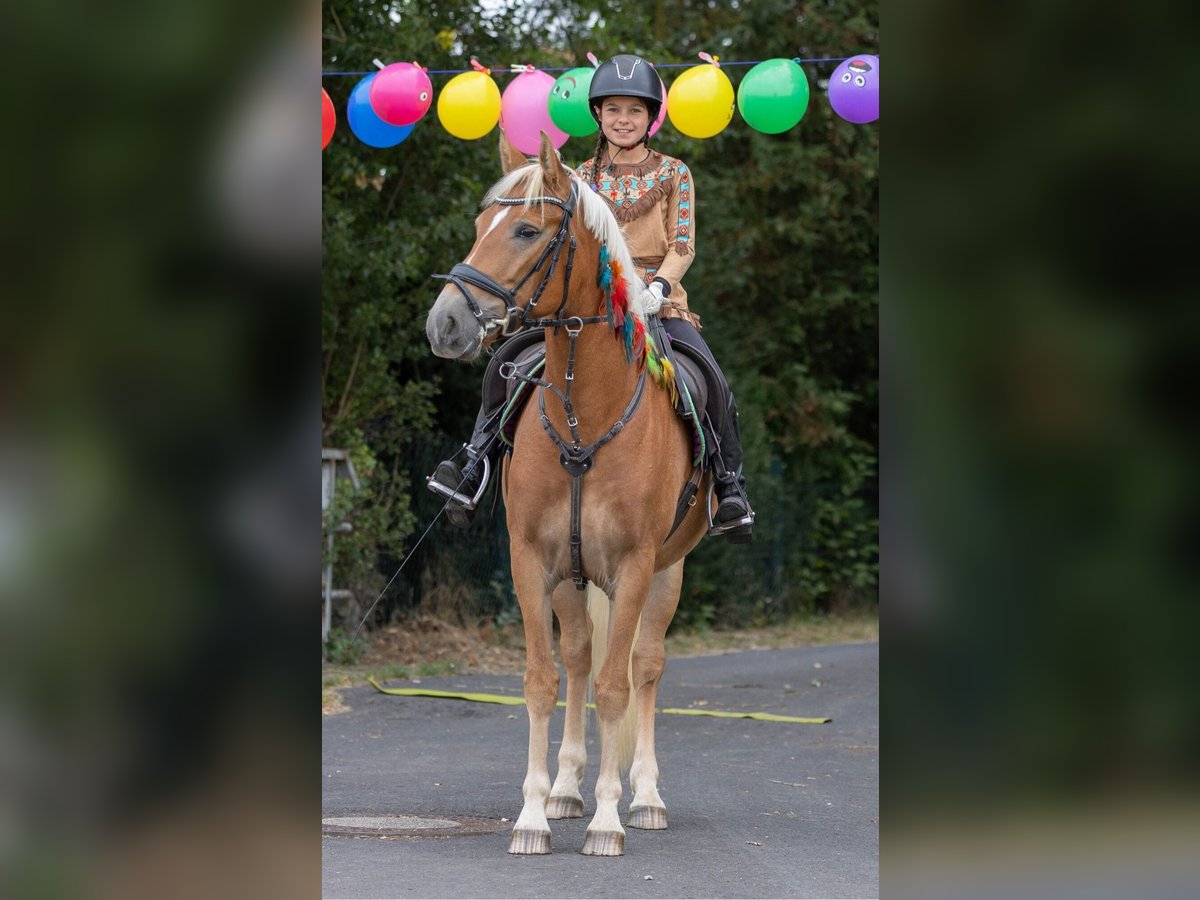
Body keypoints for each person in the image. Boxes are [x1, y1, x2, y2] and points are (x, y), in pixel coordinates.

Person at [428, 53, 754, 542]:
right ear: (598, 115)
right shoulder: (575, 176)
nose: (624, 120)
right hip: (587, 302)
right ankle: (475, 462)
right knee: (506, 364)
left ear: (651, 117)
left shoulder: (674, 173)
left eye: (635, 111)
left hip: (657, 302)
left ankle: (730, 487)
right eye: (613, 110)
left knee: (711, 378)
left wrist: (657, 287)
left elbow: (683, 243)